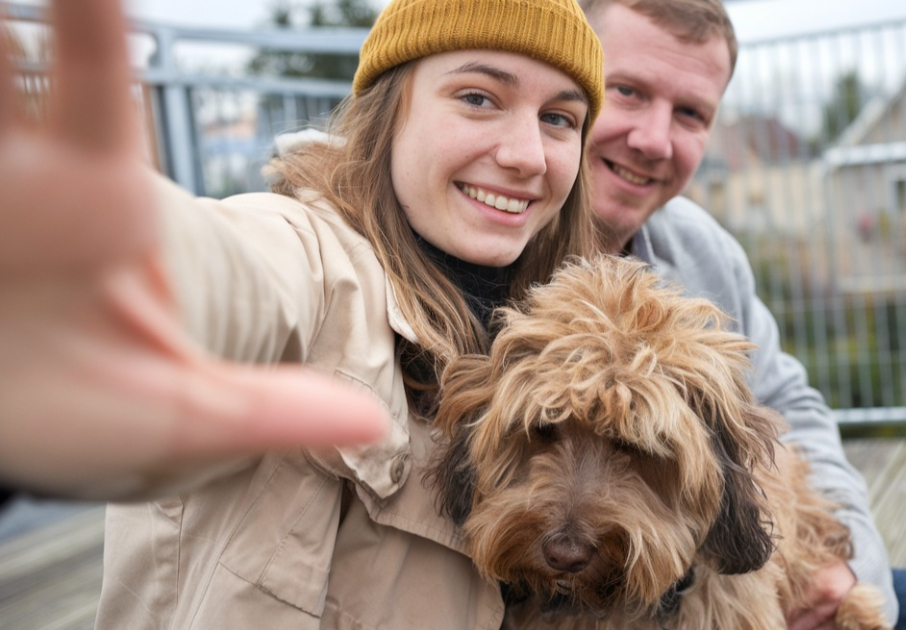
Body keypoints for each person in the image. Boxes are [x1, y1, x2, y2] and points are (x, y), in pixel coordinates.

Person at [1, 0, 604, 626]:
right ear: (388, 112)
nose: (528, 155)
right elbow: (236, 276)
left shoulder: (563, 330)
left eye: (558, 119)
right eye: (478, 98)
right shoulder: (309, 258)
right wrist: (107, 278)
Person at [575, 1, 906, 630]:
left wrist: (852, 569)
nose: (654, 140)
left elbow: (790, 408)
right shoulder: (499, 241)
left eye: (691, 114)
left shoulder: (704, 250)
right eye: (627, 91)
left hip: (731, 565)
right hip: (596, 584)